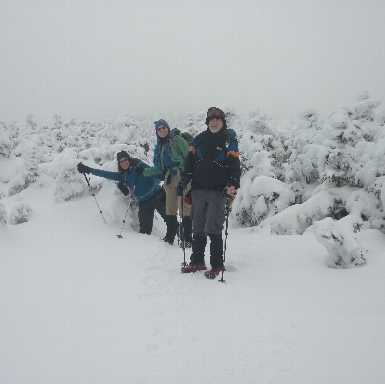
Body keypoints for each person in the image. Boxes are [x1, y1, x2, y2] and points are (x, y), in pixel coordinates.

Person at [178, 107, 241, 277]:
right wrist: (183, 181)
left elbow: (235, 166)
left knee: (213, 227)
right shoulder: (198, 140)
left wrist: (233, 183)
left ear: (222, 121)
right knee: (197, 226)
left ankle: (217, 265)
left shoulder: (229, 141)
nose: (214, 122)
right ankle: (197, 262)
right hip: (198, 190)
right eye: (211, 119)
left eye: (217, 119)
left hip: (218, 191)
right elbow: (189, 166)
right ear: (207, 122)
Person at [77, 150, 167, 237]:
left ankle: (177, 241)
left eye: (125, 160)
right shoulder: (123, 176)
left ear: (129, 159)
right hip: (143, 202)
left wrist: (166, 172)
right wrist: (89, 170)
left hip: (156, 195)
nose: (124, 163)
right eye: (121, 162)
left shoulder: (139, 165)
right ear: (119, 164)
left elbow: (155, 173)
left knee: (170, 219)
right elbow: (106, 174)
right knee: (145, 231)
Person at [142, 119, 193, 247]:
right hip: (169, 179)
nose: (161, 130)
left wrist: (186, 175)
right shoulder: (160, 147)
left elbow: (189, 158)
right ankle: (170, 237)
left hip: (183, 177)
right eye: (159, 129)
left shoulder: (177, 140)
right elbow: (159, 168)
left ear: (168, 128)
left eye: (163, 128)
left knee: (184, 208)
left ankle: (188, 239)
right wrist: (144, 172)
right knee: (170, 208)